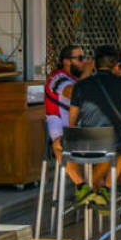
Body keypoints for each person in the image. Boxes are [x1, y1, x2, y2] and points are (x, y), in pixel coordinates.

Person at [67, 45, 121, 211]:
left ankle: (81, 185)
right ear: (116, 66)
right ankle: (105, 188)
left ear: (95, 66)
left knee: (57, 145)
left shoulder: (81, 85)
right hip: (111, 140)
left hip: (82, 142)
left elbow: (72, 120)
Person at [44, 44, 90, 185]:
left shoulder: (75, 79)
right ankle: (83, 188)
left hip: (83, 132)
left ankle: (100, 192)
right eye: (80, 58)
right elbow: (73, 93)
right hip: (64, 134)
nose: (83, 62)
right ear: (66, 61)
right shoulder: (57, 78)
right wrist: (86, 73)